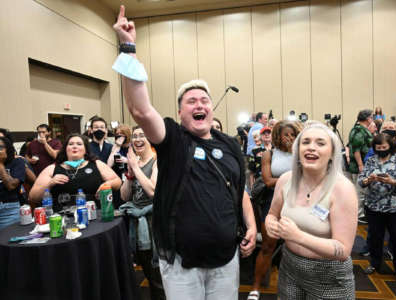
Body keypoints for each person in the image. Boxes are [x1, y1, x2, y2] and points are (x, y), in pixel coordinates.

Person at [112, 6, 257, 300]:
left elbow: (238, 190)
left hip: (226, 259)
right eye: (191, 101)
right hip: (181, 263)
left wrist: (251, 226)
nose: (200, 104)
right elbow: (140, 108)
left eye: (204, 99)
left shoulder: (229, 143)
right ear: (180, 112)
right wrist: (128, 48)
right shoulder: (174, 140)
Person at [265, 123, 357, 299]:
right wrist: (271, 224)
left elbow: (343, 250)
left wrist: (296, 236)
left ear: (332, 153)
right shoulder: (285, 180)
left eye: (320, 143)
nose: (311, 148)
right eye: (305, 142)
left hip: (329, 276)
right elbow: (271, 215)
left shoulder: (342, 189)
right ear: (298, 149)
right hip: (289, 268)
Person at [248, 120, 301, 300]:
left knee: (297, 247)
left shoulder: (301, 153)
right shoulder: (269, 154)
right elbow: (268, 181)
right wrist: (296, 178)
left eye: (293, 135)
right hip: (273, 201)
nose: (290, 138)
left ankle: (296, 288)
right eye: (286, 134)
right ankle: (255, 288)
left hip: (298, 202)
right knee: (268, 247)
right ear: (278, 136)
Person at [120, 126, 165, 300]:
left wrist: (135, 168)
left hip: (155, 222)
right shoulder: (135, 165)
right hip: (138, 224)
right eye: (135, 136)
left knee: (158, 275)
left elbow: (153, 191)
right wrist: (130, 174)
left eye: (142, 135)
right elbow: (125, 196)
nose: (138, 139)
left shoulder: (157, 161)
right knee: (148, 272)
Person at [29, 134, 121, 211]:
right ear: (65, 149)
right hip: (62, 217)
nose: (74, 146)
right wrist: (50, 183)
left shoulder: (96, 164)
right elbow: (33, 197)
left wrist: (108, 184)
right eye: (71, 144)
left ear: (85, 150)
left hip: (94, 214)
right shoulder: (52, 168)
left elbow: (117, 182)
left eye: (79, 144)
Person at [358, 133, 396, 283]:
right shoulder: (370, 161)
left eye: (384, 147)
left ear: (390, 147)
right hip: (374, 207)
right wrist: (368, 179)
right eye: (378, 147)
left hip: (395, 208)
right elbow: (360, 181)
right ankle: (375, 263)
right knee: (375, 238)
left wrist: (393, 181)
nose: (381, 149)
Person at [348, 109, 374, 222]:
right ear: (368, 118)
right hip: (359, 165)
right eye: (372, 117)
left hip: (362, 164)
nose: (372, 119)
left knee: (359, 191)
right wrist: (360, 165)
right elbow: (356, 150)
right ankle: (359, 215)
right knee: (359, 191)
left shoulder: (361, 129)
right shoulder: (359, 131)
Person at [0, 136, 26, 229]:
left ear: (8, 149)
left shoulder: (17, 162)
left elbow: (11, 185)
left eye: (0, 147)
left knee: (7, 240)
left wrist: (0, 164)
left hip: (8, 210)